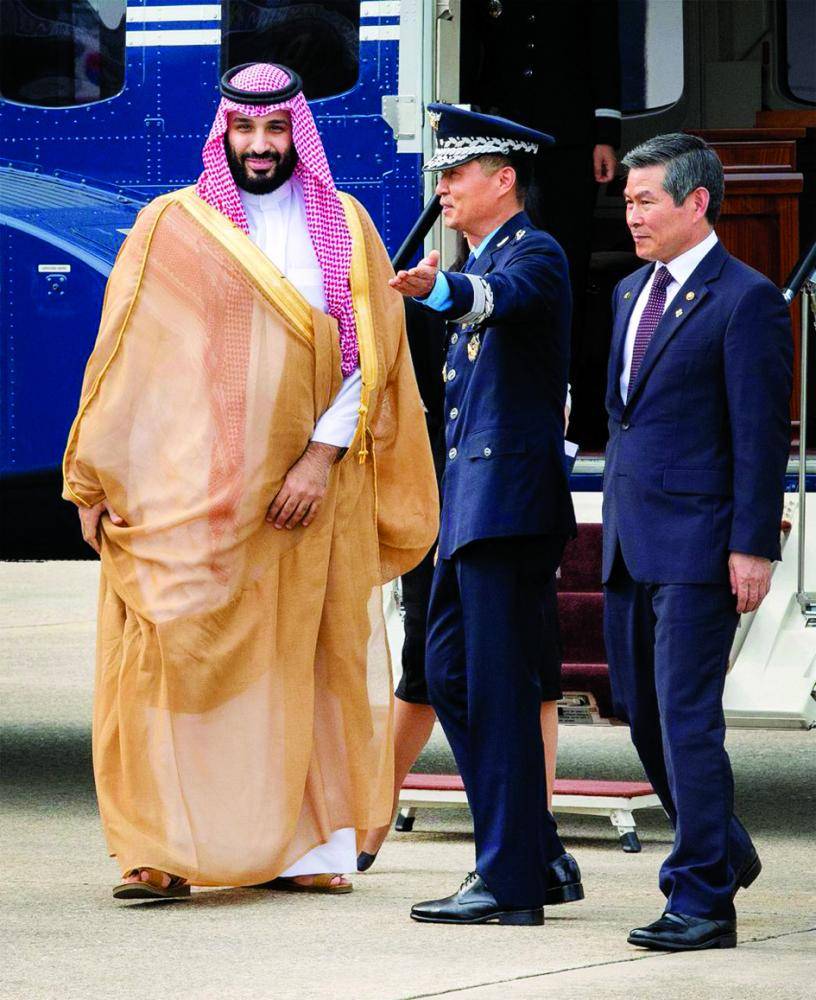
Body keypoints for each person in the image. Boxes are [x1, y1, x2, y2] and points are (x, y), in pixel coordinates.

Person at [62, 63, 438, 901]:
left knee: (307, 659)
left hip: (308, 492)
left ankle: (304, 851)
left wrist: (317, 460)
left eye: (275, 130)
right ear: (223, 133)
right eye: (245, 130)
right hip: (198, 485)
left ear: (297, 134)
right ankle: (162, 849)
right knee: (178, 656)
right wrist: (97, 479)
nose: (260, 147)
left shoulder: (345, 225)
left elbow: (370, 357)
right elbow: (127, 360)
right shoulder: (173, 224)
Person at [391, 104, 582, 925]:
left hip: (507, 509)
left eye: (457, 173)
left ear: (503, 180)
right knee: (449, 673)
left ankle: (509, 881)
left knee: (497, 688)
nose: (444, 187)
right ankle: (537, 855)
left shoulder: (534, 253)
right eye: (441, 174)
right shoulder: (487, 253)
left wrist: (438, 289)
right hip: (470, 508)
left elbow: (492, 300)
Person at [603, 133, 792, 950]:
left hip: (700, 544)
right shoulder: (628, 292)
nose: (632, 215)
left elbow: (760, 435)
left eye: (646, 200)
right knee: (642, 719)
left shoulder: (746, 299)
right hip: (629, 541)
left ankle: (702, 901)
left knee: (686, 721)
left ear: (697, 202)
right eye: (628, 201)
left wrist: (753, 545)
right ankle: (725, 848)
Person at [460, 0, 621, 442]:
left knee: (567, 264)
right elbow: (469, 49)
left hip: (568, 138)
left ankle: (569, 405)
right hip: (499, 133)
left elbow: (603, 51)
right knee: (495, 259)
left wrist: (606, 134)